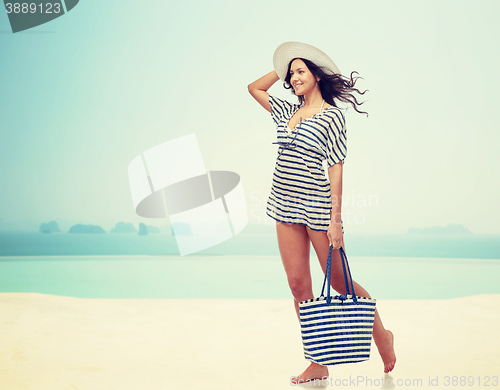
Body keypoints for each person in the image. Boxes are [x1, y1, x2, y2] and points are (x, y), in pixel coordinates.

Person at [247, 42, 396, 384]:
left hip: (317, 209)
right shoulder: (286, 112)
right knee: (299, 286)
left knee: (341, 283)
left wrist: (336, 220)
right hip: (283, 206)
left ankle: (382, 336)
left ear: (316, 75)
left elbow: (336, 169)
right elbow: (254, 88)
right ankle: (317, 362)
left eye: (301, 71)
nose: (294, 77)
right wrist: (283, 66)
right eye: (291, 73)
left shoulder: (332, 116)